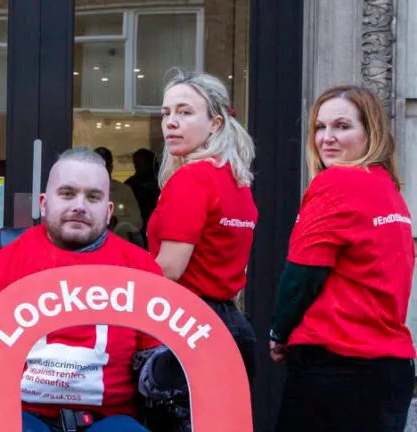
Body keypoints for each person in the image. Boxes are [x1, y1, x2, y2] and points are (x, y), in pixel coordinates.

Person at [0, 148, 172, 432]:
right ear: (44, 203)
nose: (79, 205)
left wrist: (166, 371)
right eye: (67, 194)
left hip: (110, 421)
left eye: (93, 197)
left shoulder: (140, 268)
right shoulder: (4, 265)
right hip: (22, 415)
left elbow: (154, 362)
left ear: (109, 210)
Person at [269, 85, 415, 432]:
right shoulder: (388, 190)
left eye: (342, 126)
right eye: (320, 127)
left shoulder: (336, 183)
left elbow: (302, 274)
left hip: (336, 365)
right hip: (389, 367)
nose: (327, 138)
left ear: (371, 133)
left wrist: (279, 330)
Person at [145, 71, 258, 406]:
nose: (171, 122)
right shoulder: (238, 182)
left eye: (185, 112)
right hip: (233, 327)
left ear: (216, 123)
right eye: (166, 113)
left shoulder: (192, 179)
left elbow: (169, 269)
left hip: (188, 328)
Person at [93, 147, 144, 244]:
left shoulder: (124, 191)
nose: (101, 168)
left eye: (105, 164)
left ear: (111, 167)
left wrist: (116, 221)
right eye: (97, 165)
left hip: (118, 247)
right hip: (89, 248)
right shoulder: (81, 189)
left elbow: (137, 222)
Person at [124, 148, 161, 236]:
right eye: (136, 162)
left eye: (142, 161)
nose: (138, 165)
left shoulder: (161, 181)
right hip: (137, 227)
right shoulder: (130, 184)